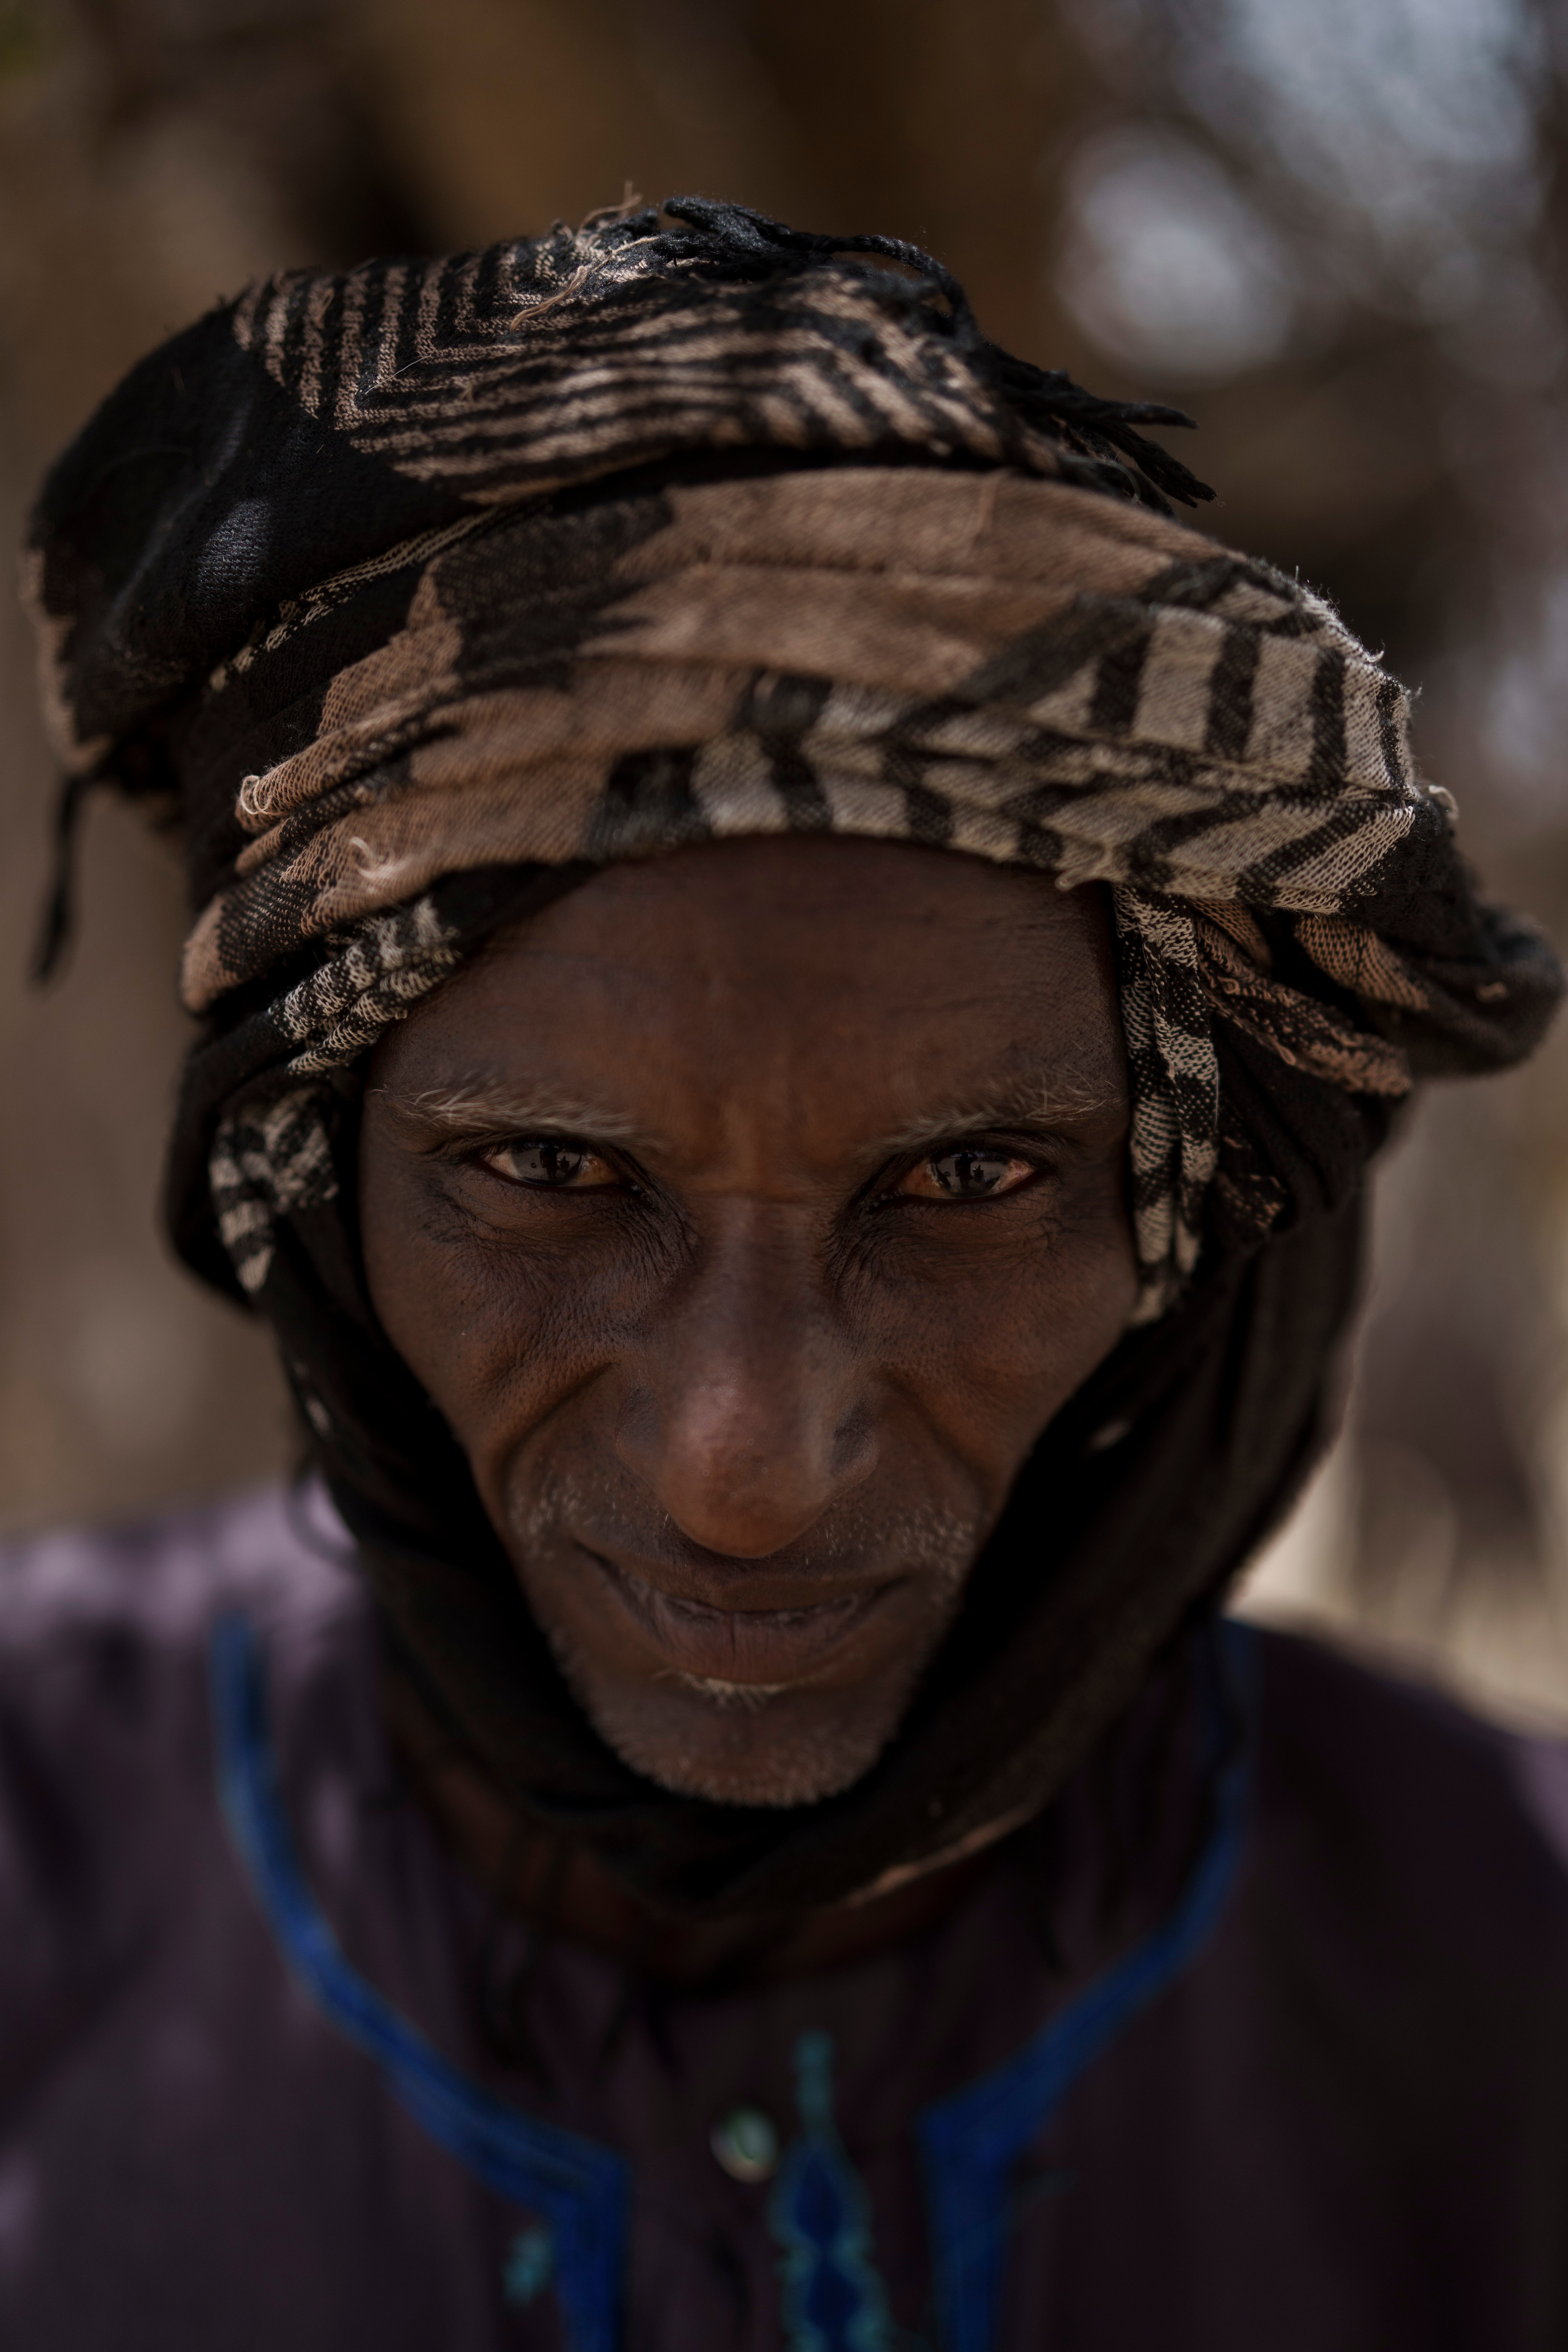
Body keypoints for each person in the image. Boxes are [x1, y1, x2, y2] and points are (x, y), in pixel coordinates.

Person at [5, 197, 1567, 2351]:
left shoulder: (1499, 1953)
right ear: (318, 1172)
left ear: (1199, 1212)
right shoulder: (36, 1836)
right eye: (546, 1172)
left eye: (972, 1178)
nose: (749, 1463)